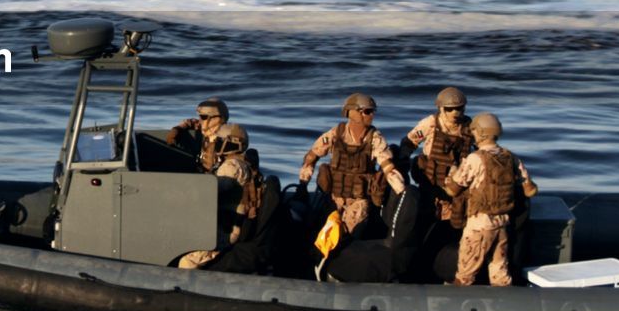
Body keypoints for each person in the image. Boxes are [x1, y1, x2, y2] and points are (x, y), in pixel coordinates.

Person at [443, 112, 538, 286]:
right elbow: (530, 190)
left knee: (465, 275)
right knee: (500, 274)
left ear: (480, 133)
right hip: (502, 225)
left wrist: (451, 174)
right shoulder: (511, 157)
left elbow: (453, 189)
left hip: (479, 227)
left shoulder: (475, 158)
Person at [177, 123, 281, 272]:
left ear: (231, 143)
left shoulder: (232, 166)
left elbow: (211, 190)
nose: (216, 145)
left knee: (187, 262)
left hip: (226, 233)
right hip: (230, 225)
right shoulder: (243, 163)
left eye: (219, 141)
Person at [298, 93, 406, 236]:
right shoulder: (336, 133)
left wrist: (402, 192)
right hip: (334, 197)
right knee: (322, 232)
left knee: (352, 233)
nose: (371, 115)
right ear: (354, 113)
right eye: (367, 111)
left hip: (359, 201)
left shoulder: (375, 138)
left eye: (373, 111)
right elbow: (312, 157)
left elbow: (388, 167)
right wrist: (303, 184)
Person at [399, 86, 475, 220]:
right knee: (426, 213)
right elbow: (409, 142)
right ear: (441, 108)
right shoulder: (431, 123)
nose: (455, 113)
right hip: (431, 178)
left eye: (459, 108)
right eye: (449, 109)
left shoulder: (470, 126)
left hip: (456, 181)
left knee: (455, 217)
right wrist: (402, 162)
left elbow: (482, 150)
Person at [166, 97, 230, 173]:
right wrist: (178, 129)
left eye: (204, 117)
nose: (200, 119)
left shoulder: (228, 137)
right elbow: (193, 123)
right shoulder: (205, 128)